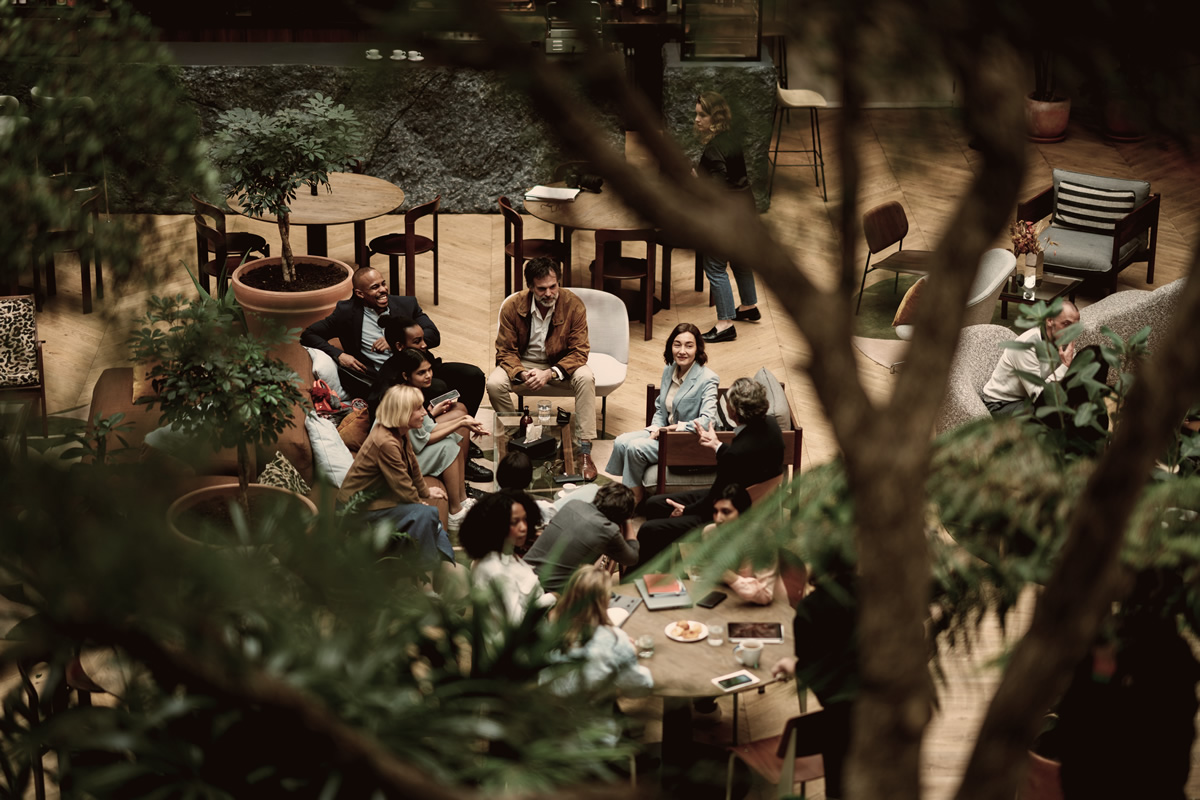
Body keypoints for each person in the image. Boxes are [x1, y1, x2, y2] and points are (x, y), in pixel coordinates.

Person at [635, 377, 784, 567]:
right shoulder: (770, 426)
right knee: (655, 504)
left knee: (648, 529)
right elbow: (743, 462)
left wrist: (685, 510)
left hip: (726, 510)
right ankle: (663, 564)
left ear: (734, 412)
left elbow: (713, 498)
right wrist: (717, 445)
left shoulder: (738, 453)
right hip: (743, 496)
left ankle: (637, 576)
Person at [301, 267, 484, 408]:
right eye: (375, 287)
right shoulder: (345, 313)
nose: (383, 290)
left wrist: (395, 340)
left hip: (421, 368)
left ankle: (463, 425)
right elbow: (309, 334)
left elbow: (433, 335)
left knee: (473, 375)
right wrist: (339, 355)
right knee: (438, 388)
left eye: (383, 283)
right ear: (360, 294)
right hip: (385, 379)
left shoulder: (406, 304)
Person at [768, 551, 859, 800]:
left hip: (840, 718)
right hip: (889, 709)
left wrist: (793, 665)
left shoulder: (812, 608)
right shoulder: (880, 596)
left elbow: (814, 672)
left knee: (838, 787)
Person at [336, 385, 454, 570]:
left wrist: (424, 491)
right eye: (418, 408)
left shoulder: (399, 432)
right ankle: (431, 578)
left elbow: (413, 465)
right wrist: (416, 501)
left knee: (428, 517)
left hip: (379, 499)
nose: (424, 412)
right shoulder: (385, 441)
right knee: (427, 515)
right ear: (402, 412)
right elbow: (400, 482)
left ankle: (443, 564)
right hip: (357, 509)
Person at [486, 257, 597, 453]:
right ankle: (517, 434)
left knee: (586, 378)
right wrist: (520, 373)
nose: (549, 293)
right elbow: (505, 351)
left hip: (561, 364)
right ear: (530, 286)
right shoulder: (512, 306)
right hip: (522, 364)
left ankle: (584, 448)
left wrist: (550, 373)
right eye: (541, 289)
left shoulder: (573, 304)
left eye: (553, 287)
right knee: (494, 384)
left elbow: (580, 351)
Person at [605, 322, 718, 507]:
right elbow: (660, 408)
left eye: (689, 346)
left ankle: (634, 499)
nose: (682, 351)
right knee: (621, 442)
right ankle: (630, 488)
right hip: (664, 432)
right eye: (677, 344)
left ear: (698, 349)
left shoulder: (708, 379)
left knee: (635, 448)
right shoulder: (669, 370)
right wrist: (655, 428)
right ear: (670, 347)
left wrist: (672, 428)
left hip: (688, 439)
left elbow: (707, 421)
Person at [368, 319, 493, 483]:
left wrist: (431, 413)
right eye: (417, 341)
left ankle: (461, 461)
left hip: (417, 429)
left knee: (462, 407)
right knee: (459, 422)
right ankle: (460, 474)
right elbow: (420, 438)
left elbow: (423, 424)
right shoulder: (398, 393)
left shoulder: (409, 371)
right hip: (405, 446)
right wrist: (458, 422)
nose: (425, 344)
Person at [379, 348, 488, 531]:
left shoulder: (413, 391)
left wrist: (463, 421)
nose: (429, 375)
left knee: (454, 436)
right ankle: (454, 512)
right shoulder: (403, 398)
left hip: (410, 451)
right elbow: (423, 440)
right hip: (400, 460)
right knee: (448, 447)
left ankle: (462, 500)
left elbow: (428, 427)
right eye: (421, 372)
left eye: (429, 370)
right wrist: (461, 421)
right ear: (406, 375)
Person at [693, 91, 758, 344]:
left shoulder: (713, 148)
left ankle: (725, 324)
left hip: (725, 216)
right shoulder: (730, 139)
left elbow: (718, 187)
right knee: (741, 260)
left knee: (715, 267)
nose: (697, 119)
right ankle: (749, 306)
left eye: (703, 115)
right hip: (745, 210)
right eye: (696, 114)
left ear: (715, 117)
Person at [543, 564, 653, 700]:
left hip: (547, 706)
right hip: (586, 715)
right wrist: (629, 653)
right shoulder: (614, 640)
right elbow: (638, 688)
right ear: (604, 601)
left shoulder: (547, 625)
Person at [523, 483, 640, 594]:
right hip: (549, 594)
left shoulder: (573, 504)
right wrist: (628, 521)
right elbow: (632, 558)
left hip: (522, 574)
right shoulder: (608, 530)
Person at [460, 489, 556, 625]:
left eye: (524, 520)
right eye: (514, 522)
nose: (523, 527)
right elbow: (516, 624)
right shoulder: (497, 571)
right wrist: (551, 598)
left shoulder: (498, 555)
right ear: (497, 525)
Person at [702, 484, 779, 605]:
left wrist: (729, 577)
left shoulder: (762, 539)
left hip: (761, 607)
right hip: (727, 599)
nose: (718, 519)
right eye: (715, 512)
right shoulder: (710, 533)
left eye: (726, 512)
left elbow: (765, 595)